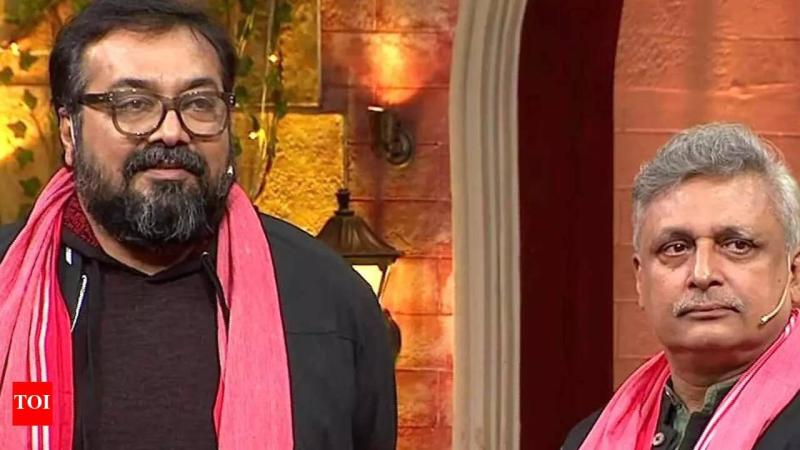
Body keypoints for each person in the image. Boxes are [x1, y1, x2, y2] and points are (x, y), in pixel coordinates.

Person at [0, 1, 397, 449]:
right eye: (133, 104)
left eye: (199, 103)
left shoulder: (328, 298)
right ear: (69, 131)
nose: (171, 131)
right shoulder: (6, 284)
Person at [562, 123, 800, 450]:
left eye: (737, 245)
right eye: (675, 248)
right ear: (640, 279)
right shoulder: (591, 438)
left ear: (794, 273)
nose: (702, 274)